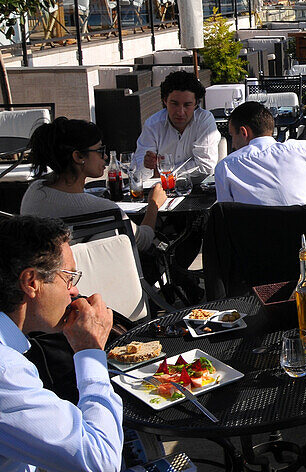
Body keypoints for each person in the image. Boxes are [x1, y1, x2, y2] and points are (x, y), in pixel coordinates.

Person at [0, 215, 123, 472]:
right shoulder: (5, 370)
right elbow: (100, 461)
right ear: (31, 282)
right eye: (68, 278)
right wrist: (89, 352)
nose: (74, 291)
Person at [20, 118, 165, 251]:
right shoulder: (104, 210)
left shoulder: (34, 191)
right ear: (78, 156)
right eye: (100, 150)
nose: (106, 156)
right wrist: (154, 204)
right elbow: (143, 241)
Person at [134, 71, 221, 178]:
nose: (180, 112)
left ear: (196, 104)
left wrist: (165, 172)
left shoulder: (204, 120)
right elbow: (139, 172)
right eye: (174, 104)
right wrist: (146, 166)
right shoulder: (153, 125)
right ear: (165, 101)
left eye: (187, 105)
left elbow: (206, 167)